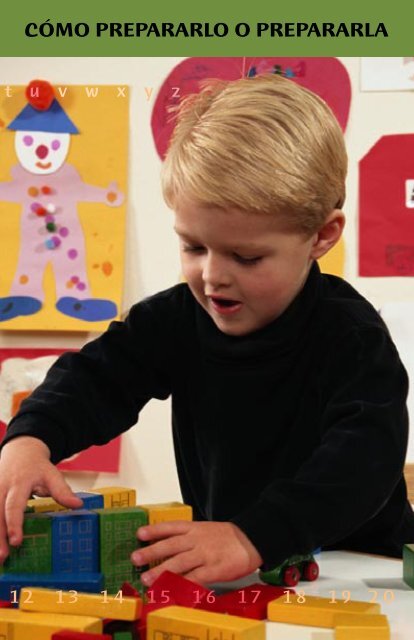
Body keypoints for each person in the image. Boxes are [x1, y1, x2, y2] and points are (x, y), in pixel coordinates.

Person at [0, 74, 413, 588]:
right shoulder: (176, 320)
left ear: (321, 237)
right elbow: (97, 378)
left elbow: (365, 457)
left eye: (246, 256)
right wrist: (30, 439)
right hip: (235, 568)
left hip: (360, 570)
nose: (212, 275)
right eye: (193, 247)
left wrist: (252, 536)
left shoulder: (350, 335)